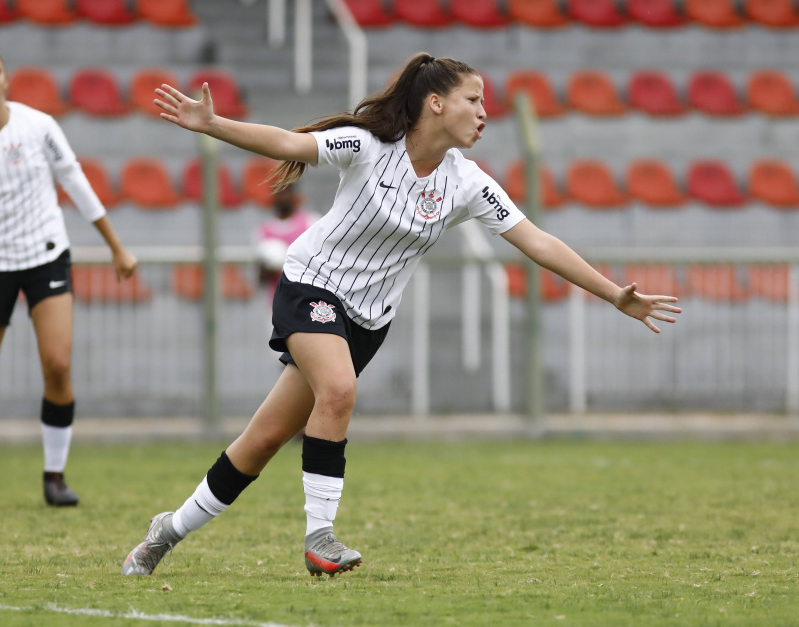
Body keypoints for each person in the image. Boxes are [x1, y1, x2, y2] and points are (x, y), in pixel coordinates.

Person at [122, 52, 681, 577]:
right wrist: (212, 125)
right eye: (473, 100)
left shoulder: (467, 182)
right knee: (337, 390)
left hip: (368, 322)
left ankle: (165, 532)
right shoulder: (367, 144)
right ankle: (321, 540)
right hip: (310, 287)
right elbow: (288, 144)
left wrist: (614, 295)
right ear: (435, 103)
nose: (484, 113)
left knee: (263, 440)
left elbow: (538, 242)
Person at [0, 48, 138, 509]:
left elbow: (75, 182)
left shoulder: (38, 126)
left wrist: (116, 246)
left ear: (7, 78)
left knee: (57, 365)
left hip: (46, 258)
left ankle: (54, 478)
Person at [254, 182, 319, 299]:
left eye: (287, 192)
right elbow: (260, 278)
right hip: (277, 302)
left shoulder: (311, 223)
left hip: (307, 298)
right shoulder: (263, 231)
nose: (284, 197)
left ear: (295, 196)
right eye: (280, 193)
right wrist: (270, 268)